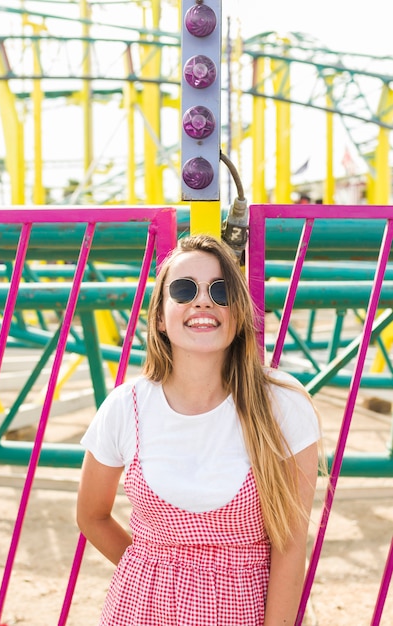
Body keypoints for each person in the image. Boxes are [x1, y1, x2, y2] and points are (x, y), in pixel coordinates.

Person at [77, 234, 322, 626]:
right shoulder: (126, 407)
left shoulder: (282, 403)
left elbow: (291, 546)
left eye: (220, 290)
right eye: (184, 289)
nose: (203, 301)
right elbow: (91, 516)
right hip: (140, 611)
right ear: (159, 316)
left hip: (247, 612)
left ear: (239, 313)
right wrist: (153, 570)